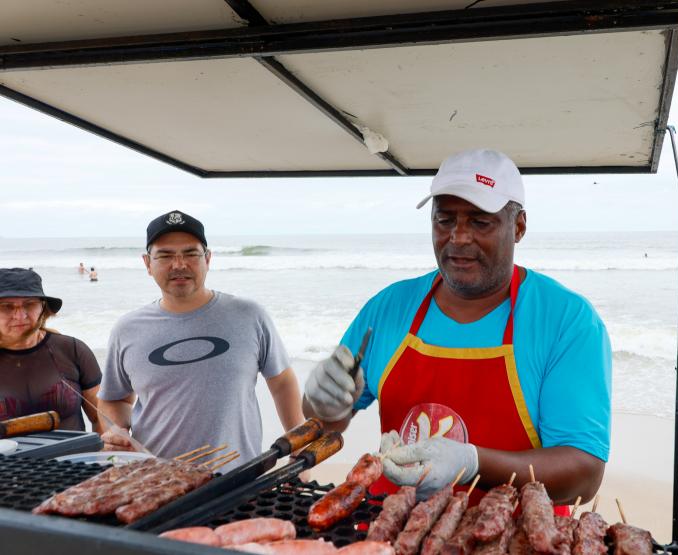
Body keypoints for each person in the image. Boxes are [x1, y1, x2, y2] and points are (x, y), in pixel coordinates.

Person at [302, 149, 612, 506]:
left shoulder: (565, 320)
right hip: (389, 530)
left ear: (520, 226)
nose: (459, 237)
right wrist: (320, 404)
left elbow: (585, 477)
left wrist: (471, 463)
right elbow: (324, 426)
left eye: (481, 222)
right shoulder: (388, 308)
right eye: (445, 220)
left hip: (513, 538)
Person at [98, 210, 305, 468]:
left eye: (190, 253)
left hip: (239, 479)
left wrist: (299, 448)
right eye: (165, 255)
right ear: (147, 263)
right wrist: (117, 432)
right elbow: (112, 400)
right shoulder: (127, 329)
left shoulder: (249, 315)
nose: (179, 264)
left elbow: (282, 382)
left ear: (208, 258)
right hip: (154, 483)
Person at [0, 268, 101, 432]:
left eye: (29, 304)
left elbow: (100, 416)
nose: (20, 316)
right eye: (6, 306)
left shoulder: (72, 350)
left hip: (74, 457)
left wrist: (102, 454)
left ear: (43, 308)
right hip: (8, 458)